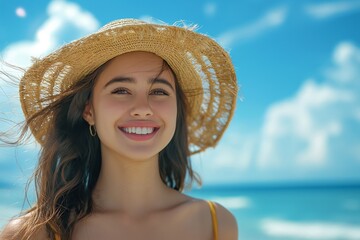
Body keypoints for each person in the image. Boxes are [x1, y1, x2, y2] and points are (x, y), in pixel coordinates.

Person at [0, 18, 238, 240]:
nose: (143, 109)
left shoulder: (217, 224)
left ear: (176, 110)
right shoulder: (33, 233)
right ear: (89, 111)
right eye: (121, 90)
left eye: (159, 92)